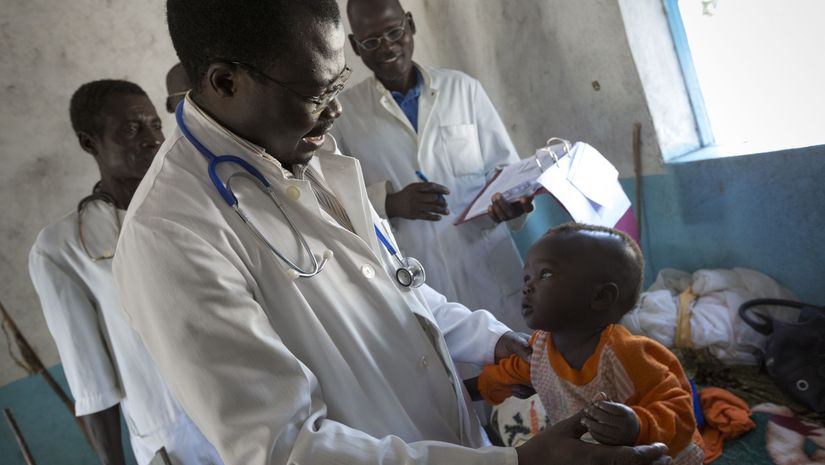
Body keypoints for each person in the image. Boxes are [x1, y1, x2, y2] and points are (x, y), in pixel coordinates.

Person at [112, 1, 670, 464]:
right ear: (225, 82)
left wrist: (496, 341)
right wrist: (519, 461)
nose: (333, 115)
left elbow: (398, 285)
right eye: (314, 95)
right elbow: (287, 448)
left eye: (338, 86)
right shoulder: (172, 235)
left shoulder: (308, 155)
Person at [28, 80, 222, 465]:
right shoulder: (64, 248)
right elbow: (92, 380)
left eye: (154, 124)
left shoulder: (199, 203)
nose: (152, 138)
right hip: (174, 440)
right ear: (89, 143)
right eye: (132, 129)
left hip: (248, 413)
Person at [331, 0, 532, 332]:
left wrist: (511, 205)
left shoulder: (463, 90)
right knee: (454, 374)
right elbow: (335, 200)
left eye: (395, 31)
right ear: (355, 46)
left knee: (519, 369)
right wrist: (390, 203)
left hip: (489, 272)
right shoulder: (345, 115)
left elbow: (507, 172)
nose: (387, 46)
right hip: (419, 278)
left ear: (410, 24)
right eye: (371, 40)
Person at [472, 223, 704, 464]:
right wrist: (465, 391)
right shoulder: (539, 349)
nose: (527, 287)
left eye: (546, 274)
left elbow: (681, 411)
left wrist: (639, 424)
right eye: (527, 277)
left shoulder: (628, 353)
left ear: (601, 297)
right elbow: (503, 375)